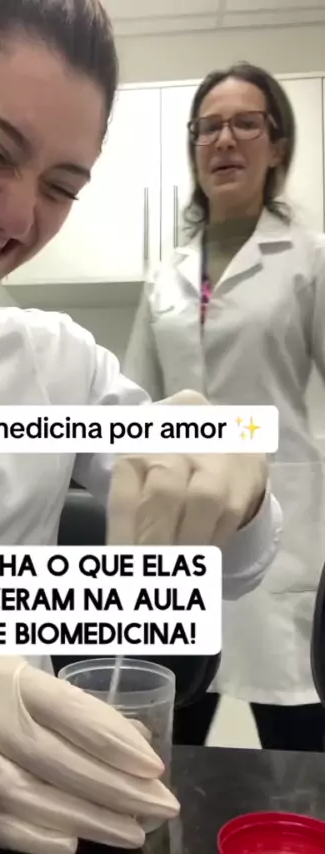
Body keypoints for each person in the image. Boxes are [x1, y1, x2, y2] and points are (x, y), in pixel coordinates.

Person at [0, 2, 282, 850]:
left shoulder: (62, 363)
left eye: (61, 187)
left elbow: (233, 567)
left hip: (29, 805)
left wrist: (237, 481)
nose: (17, 217)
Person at [124, 61, 325, 752]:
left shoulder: (309, 259)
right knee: (161, 738)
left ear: (277, 145)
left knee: (297, 739)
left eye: (246, 124)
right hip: (184, 528)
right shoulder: (167, 273)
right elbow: (138, 401)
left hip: (282, 525)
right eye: (208, 127)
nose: (225, 140)